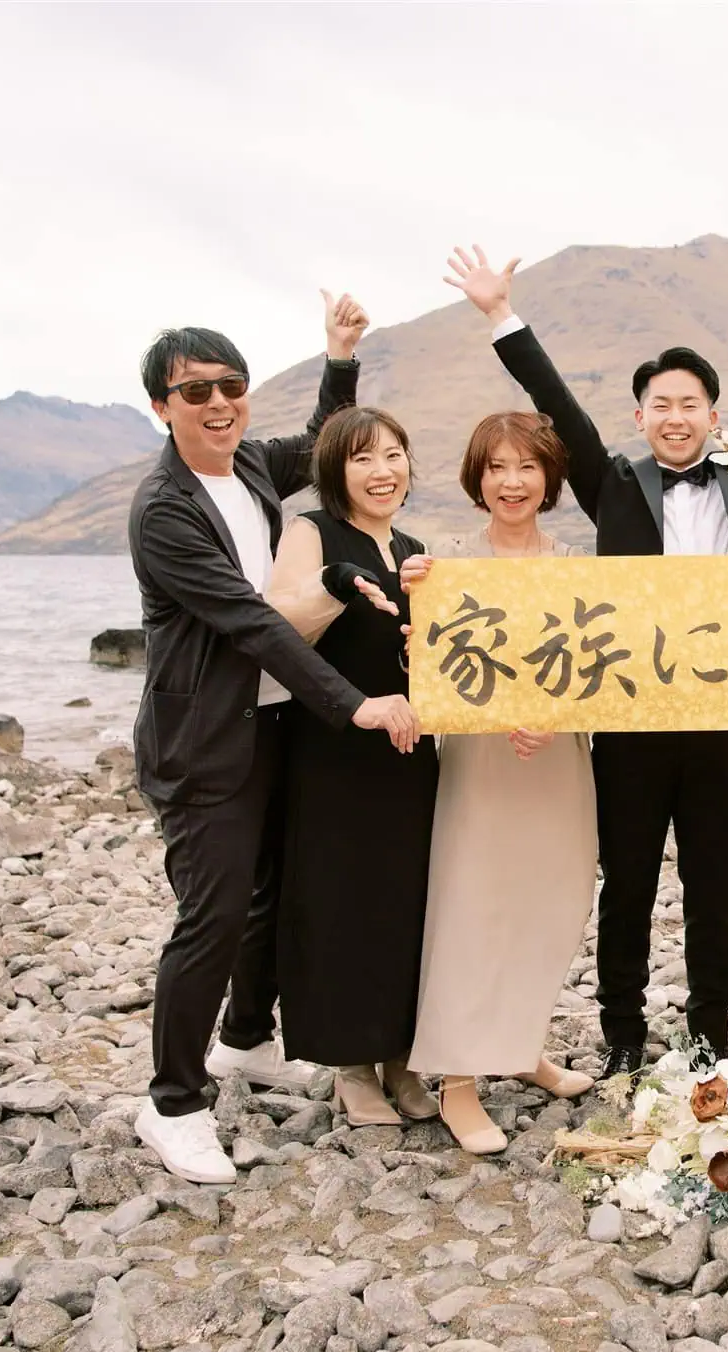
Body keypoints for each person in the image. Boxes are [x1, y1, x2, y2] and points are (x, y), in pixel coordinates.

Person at [442, 242, 728, 1075]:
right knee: (628, 885)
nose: (676, 416)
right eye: (661, 404)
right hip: (630, 725)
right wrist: (500, 313)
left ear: (713, 414)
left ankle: (711, 1040)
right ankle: (623, 1039)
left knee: (712, 887)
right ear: (639, 418)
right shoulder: (612, 486)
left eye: (690, 404)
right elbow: (554, 401)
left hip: (722, 721)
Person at [129, 292, 420, 1184]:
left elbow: (328, 436)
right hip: (203, 741)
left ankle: (246, 1038)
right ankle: (172, 1104)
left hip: (272, 727)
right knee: (211, 917)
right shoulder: (164, 510)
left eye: (232, 386)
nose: (218, 403)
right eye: (196, 392)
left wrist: (340, 355)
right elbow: (251, 622)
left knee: (269, 896)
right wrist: (354, 704)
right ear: (162, 406)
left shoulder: (249, 465)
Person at [399, 412, 599, 1155]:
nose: (512, 483)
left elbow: (602, 671)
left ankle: (520, 1045)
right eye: (496, 468)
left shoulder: (577, 566)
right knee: (472, 905)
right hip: (480, 762)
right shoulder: (444, 564)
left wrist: (558, 716)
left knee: (550, 903)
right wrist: (412, 607)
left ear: (550, 477)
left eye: (527, 467)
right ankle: (457, 1079)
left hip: (556, 761)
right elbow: (421, 665)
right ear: (476, 478)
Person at [263, 405, 441, 1128]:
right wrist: (336, 582)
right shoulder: (312, 532)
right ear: (336, 469)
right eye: (363, 457)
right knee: (339, 900)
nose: (381, 471)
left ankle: (401, 1057)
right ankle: (351, 1066)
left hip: (409, 751)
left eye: (393, 454)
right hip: (333, 747)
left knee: (407, 901)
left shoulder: (415, 548)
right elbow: (280, 626)